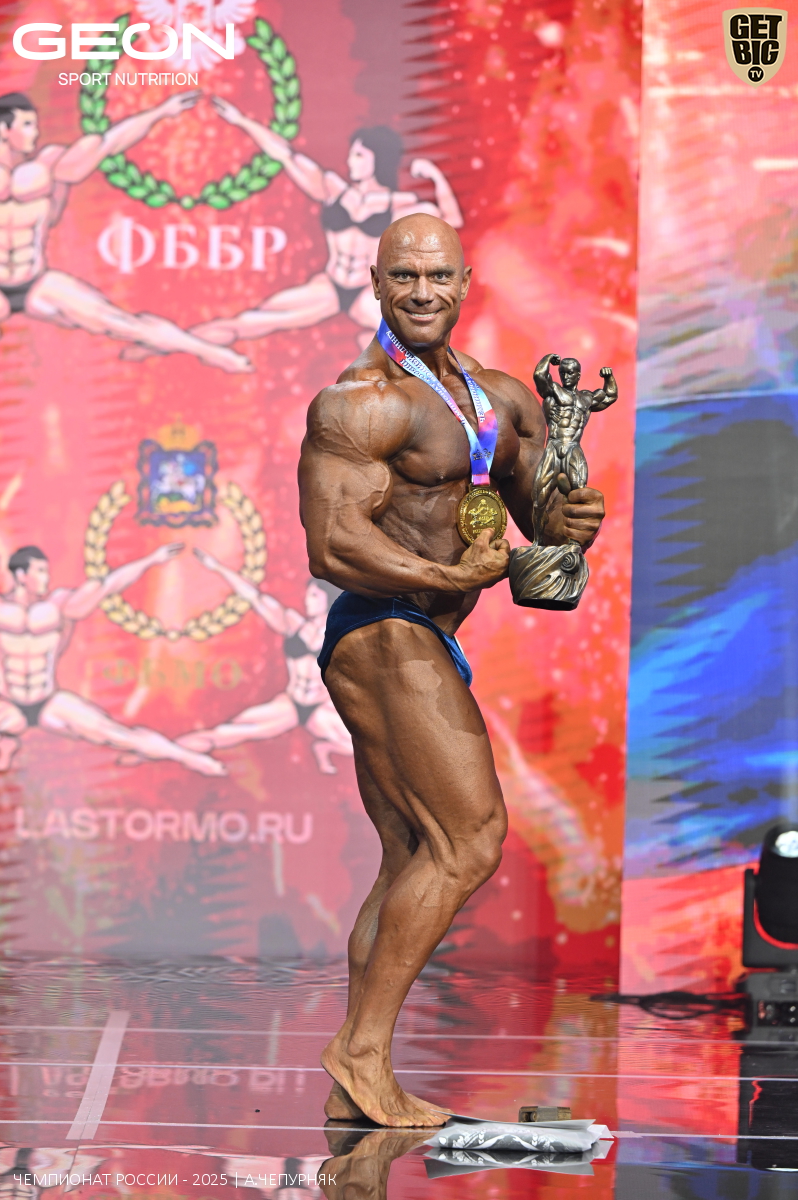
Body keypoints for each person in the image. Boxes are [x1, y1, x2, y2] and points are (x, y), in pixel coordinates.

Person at [298, 213, 607, 1126]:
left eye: (438, 275)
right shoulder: (360, 403)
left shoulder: (498, 401)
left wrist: (571, 519)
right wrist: (447, 578)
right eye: (404, 276)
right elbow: (331, 543)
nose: (422, 291)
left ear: (466, 282)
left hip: (425, 635)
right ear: (377, 283)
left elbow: (543, 524)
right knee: (470, 840)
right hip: (380, 627)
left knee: (411, 854)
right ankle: (362, 1054)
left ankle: (357, 1068)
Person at [0, 91, 250, 373]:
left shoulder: (49, 163)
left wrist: (159, 112)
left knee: (116, 321)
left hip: (34, 280)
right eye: (27, 125)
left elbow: (109, 143)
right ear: (4, 130)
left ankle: (209, 351)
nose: (36, 132)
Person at [181, 109, 462, 352]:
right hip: (330, 285)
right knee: (252, 321)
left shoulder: (399, 205)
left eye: (359, 155)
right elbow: (285, 154)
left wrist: (435, 176)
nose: (350, 162)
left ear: (377, 159)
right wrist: (242, 121)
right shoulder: (333, 189)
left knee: (416, 343)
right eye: (351, 155)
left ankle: (378, 358)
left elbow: (452, 221)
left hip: (367, 293)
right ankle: (180, 342)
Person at [0, 544, 223, 776]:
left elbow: (109, 585)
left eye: (46, 571)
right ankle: (5, 746)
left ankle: (189, 757)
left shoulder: (59, 605)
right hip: (6, 704)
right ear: (21, 575)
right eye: (40, 571)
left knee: (115, 734)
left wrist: (150, 560)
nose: (47, 577)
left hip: (47, 701)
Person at [176, 551, 353, 774]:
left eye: (315, 596)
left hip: (321, 708)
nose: (308, 601)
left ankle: (324, 748)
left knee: (364, 745)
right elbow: (254, 597)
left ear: (328, 599)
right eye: (308, 595)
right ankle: (169, 751)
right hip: (292, 703)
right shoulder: (293, 624)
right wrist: (217, 567)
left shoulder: (341, 633)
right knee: (224, 734)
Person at [530, 353, 617, 543]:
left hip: (573, 448)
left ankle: (574, 543)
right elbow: (539, 376)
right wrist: (547, 359)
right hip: (554, 446)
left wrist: (608, 377)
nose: (566, 376)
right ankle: (537, 541)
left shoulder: (586, 398)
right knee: (539, 498)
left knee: (579, 494)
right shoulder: (554, 391)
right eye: (562, 373)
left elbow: (610, 395)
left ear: (578, 375)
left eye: (570, 373)